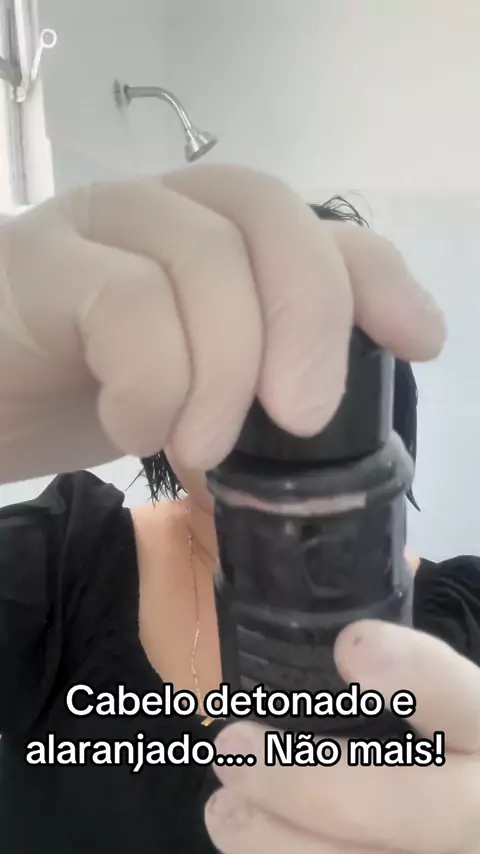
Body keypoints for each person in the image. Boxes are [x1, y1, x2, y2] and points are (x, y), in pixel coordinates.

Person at [0, 163, 479, 854]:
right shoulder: (53, 567)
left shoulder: (468, 618)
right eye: (242, 353)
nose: (274, 405)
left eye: (314, 355)